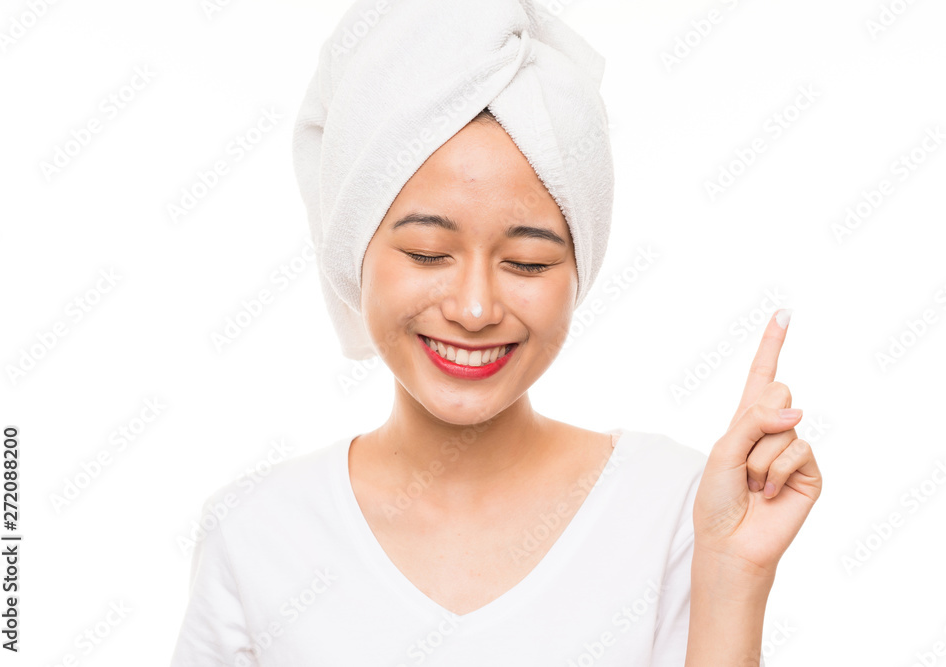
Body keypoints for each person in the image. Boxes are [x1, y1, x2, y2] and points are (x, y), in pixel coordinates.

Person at [169, 1, 822, 664]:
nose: (475, 308)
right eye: (427, 252)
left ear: (579, 270)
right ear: (353, 253)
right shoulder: (255, 533)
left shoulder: (676, 506)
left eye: (527, 262)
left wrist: (735, 576)